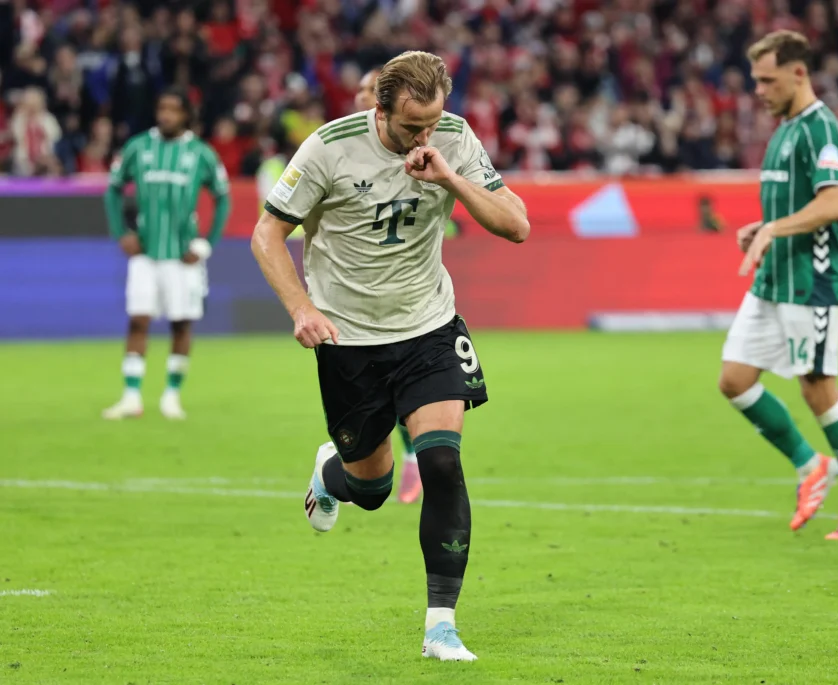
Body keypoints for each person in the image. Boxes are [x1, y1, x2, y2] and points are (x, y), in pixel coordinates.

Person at [250, 51, 528, 660]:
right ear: (379, 110)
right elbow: (267, 234)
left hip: (429, 328)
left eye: (432, 122)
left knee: (441, 464)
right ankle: (331, 475)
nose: (424, 136)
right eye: (410, 126)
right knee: (371, 488)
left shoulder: (453, 138)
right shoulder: (328, 149)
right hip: (349, 340)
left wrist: (450, 178)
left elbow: (517, 226)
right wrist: (301, 309)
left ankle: (441, 628)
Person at [719, 31, 838, 540]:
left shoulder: (821, 128)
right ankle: (811, 465)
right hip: (774, 279)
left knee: (817, 387)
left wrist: (774, 229)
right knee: (734, 379)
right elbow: (797, 206)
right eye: (756, 80)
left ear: (798, 73)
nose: (758, 90)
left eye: (767, 80)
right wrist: (762, 225)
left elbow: (835, 202)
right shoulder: (784, 130)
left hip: (811, 282)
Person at [102, 87, 232, 420]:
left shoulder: (201, 153)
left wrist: (206, 243)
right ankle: (131, 396)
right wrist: (122, 233)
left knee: (181, 324)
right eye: (162, 108)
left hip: (182, 256)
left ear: (186, 114)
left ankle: (172, 395)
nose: (166, 115)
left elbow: (222, 198)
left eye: (173, 109)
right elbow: (113, 189)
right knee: (138, 320)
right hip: (145, 253)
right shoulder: (137, 147)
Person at [353, 67, 422, 503]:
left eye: (370, 89)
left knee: (402, 388)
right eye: (360, 89)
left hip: (403, 292)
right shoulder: (336, 147)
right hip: (351, 298)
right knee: (368, 398)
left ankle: (413, 459)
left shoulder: (417, 151)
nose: (362, 96)